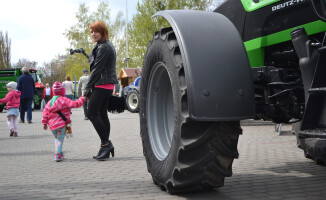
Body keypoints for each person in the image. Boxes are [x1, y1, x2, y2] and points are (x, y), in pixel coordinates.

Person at [85, 20, 118, 161]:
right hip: (107, 85)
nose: (93, 34)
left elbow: (96, 70)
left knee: (92, 113)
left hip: (102, 85)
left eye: (96, 31)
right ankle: (104, 145)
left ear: (103, 32)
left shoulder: (104, 47)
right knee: (102, 115)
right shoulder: (104, 45)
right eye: (91, 32)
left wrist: (87, 88)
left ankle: (106, 144)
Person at [42, 81, 85, 162]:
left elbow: (45, 113)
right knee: (60, 139)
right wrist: (83, 98)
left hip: (52, 125)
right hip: (61, 124)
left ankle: (60, 153)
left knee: (57, 139)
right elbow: (76, 104)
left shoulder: (49, 102)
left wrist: (44, 123)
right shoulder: (64, 100)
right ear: (62, 91)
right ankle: (57, 155)